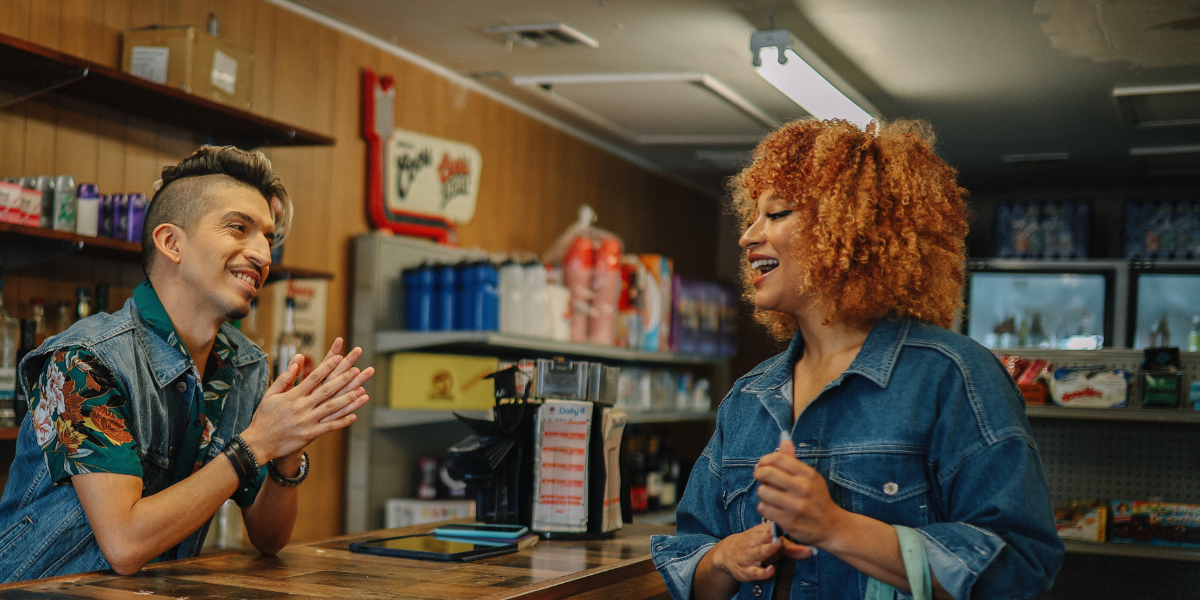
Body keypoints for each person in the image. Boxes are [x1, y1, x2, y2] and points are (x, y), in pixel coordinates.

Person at [650, 119, 1063, 600]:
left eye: (777, 213)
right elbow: (689, 562)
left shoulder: (953, 377)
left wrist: (835, 527)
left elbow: (1018, 568)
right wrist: (724, 558)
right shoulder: (748, 397)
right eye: (753, 217)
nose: (748, 236)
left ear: (850, 225)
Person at [0, 146, 374, 582]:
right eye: (239, 228)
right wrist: (255, 445)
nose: (264, 255)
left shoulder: (245, 367)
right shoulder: (83, 361)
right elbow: (125, 544)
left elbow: (269, 536)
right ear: (171, 243)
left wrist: (287, 453)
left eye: (268, 238)